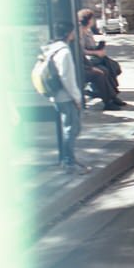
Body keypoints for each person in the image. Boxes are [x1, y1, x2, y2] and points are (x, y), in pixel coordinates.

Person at [44, 21, 91, 175]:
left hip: (57, 96)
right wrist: (77, 98)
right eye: (72, 32)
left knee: (70, 128)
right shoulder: (64, 52)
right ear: (68, 33)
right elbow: (67, 79)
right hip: (66, 97)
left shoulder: (51, 49)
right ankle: (69, 162)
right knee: (71, 129)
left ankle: (69, 158)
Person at [76, 9, 126, 110]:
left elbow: (90, 45)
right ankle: (109, 99)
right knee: (104, 70)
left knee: (112, 66)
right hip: (86, 61)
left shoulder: (88, 30)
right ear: (89, 20)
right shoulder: (79, 32)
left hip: (92, 57)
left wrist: (99, 48)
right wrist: (96, 52)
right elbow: (81, 50)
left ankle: (112, 96)